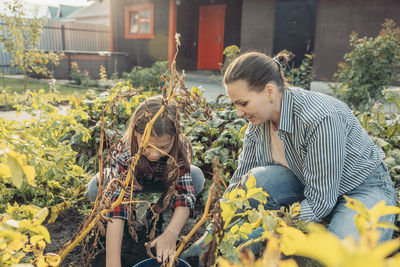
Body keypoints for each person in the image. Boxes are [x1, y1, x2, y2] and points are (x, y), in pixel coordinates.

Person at [183, 51, 397, 260]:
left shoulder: (319, 119)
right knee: (257, 179)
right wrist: (211, 233)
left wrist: (266, 230)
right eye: (235, 104)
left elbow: (321, 201)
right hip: (307, 186)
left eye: (243, 103)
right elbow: (241, 181)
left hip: (361, 189)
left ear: (269, 92)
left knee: (344, 254)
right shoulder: (257, 125)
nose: (239, 112)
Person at [85, 95, 205, 267]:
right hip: (129, 184)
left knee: (195, 177)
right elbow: (117, 206)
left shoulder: (179, 148)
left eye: (163, 147)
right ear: (135, 133)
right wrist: (113, 263)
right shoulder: (127, 150)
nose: (154, 154)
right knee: (97, 187)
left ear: (175, 136)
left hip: (162, 182)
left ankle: (158, 213)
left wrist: (171, 233)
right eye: (147, 146)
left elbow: (184, 195)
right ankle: (128, 224)